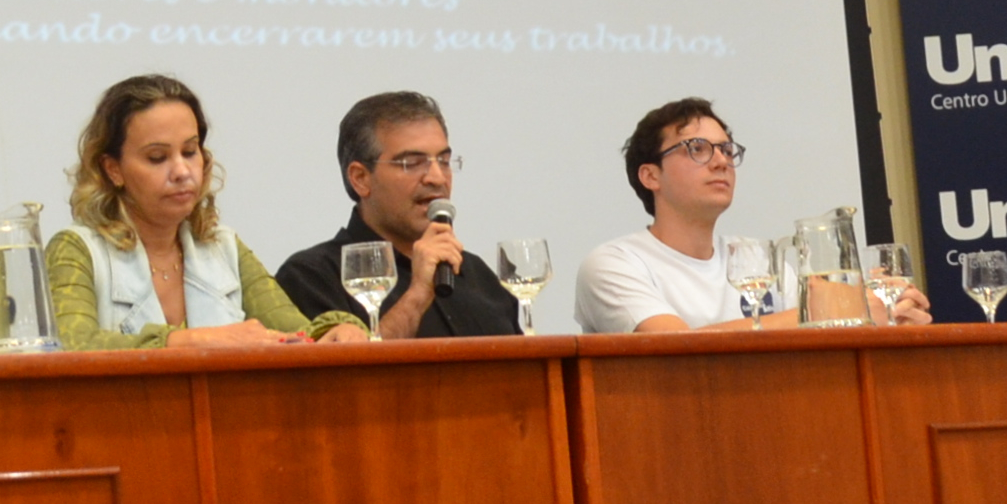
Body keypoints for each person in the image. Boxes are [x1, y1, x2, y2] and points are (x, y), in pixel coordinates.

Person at [48, 73, 366, 350]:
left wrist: (339, 330)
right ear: (113, 169)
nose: (182, 171)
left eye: (190, 151)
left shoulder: (221, 246)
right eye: (157, 157)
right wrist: (193, 341)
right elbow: (72, 345)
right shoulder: (76, 250)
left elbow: (298, 332)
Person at [573, 96, 930, 335]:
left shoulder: (755, 257)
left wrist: (891, 307)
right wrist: (844, 311)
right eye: (697, 149)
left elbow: (829, 307)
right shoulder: (614, 264)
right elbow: (675, 351)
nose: (721, 161)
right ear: (650, 176)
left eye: (726, 149)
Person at [273, 89, 523, 339]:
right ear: (361, 178)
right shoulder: (311, 277)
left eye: (444, 161)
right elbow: (349, 376)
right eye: (412, 163)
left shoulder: (477, 274)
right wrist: (418, 294)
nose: (437, 178)